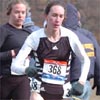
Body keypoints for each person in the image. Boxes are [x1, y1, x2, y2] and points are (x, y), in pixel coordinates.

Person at [11, 1, 90, 100]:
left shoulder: (70, 36)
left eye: (61, 16)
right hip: (39, 90)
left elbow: (85, 60)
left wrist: (81, 82)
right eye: (54, 15)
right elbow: (14, 66)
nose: (57, 20)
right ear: (46, 16)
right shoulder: (35, 37)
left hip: (64, 91)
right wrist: (26, 70)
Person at [63, 3, 100, 100]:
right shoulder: (88, 36)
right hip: (86, 85)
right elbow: (98, 61)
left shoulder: (65, 36)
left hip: (71, 85)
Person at [0, 0, 31, 99]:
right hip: (4, 78)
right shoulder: (3, 30)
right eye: (17, 12)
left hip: (22, 78)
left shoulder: (29, 33)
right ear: (9, 12)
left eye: (23, 12)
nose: (20, 15)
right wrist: (12, 53)